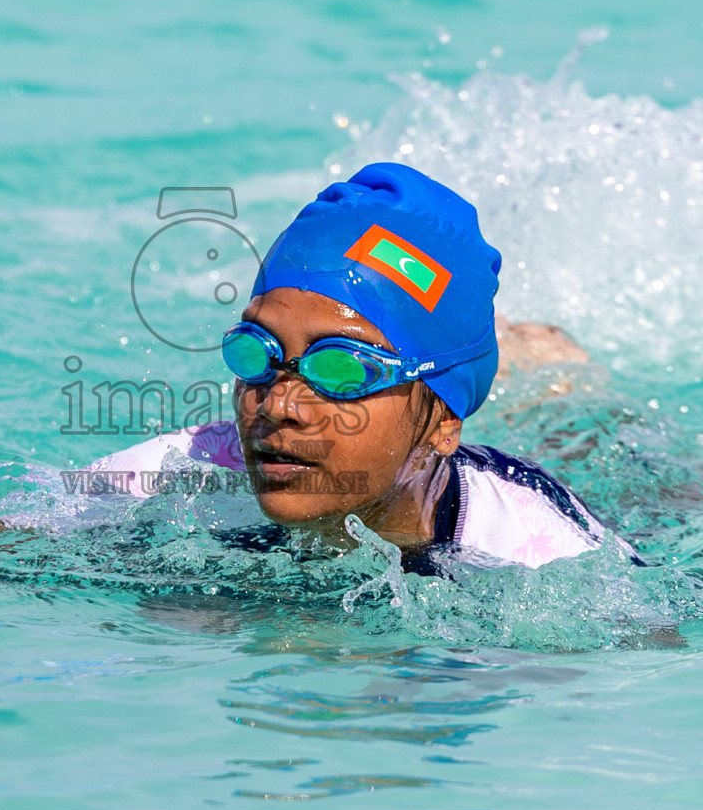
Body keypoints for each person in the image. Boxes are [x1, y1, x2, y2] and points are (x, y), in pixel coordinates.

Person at [86, 162, 632, 570]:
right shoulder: (184, 474)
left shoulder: (538, 544)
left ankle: (553, 377)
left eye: (342, 370)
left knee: (606, 449)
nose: (278, 405)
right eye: (257, 352)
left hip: (612, 480)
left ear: (444, 423)